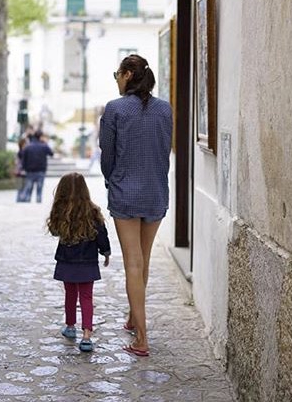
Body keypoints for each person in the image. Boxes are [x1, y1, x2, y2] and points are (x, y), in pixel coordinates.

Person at [99, 54, 172, 357]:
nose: (116, 78)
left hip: (125, 192)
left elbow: (107, 155)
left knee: (132, 262)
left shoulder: (114, 109)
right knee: (143, 259)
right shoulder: (165, 109)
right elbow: (164, 150)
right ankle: (133, 317)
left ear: (128, 74)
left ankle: (141, 339)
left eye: (118, 73)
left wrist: (111, 179)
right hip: (155, 191)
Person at [47, 172, 111, 352]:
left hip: (67, 260)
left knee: (69, 294)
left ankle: (70, 326)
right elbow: (102, 235)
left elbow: (54, 231)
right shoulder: (93, 211)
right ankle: (87, 336)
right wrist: (105, 252)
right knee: (86, 297)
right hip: (88, 262)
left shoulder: (60, 211)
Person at [18, 130, 54, 203]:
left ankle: (27, 205)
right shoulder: (44, 146)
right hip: (41, 171)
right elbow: (51, 153)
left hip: (30, 171)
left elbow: (23, 159)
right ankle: (38, 204)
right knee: (39, 191)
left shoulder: (28, 146)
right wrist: (45, 143)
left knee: (28, 190)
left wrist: (24, 168)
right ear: (41, 137)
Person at [14, 137, 27, 203]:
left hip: (19, 172)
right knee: (22, 187)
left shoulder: (19, 152)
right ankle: (20, 200)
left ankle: (19, 199)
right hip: (22, 171)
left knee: (20, 187)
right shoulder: (22, 152)